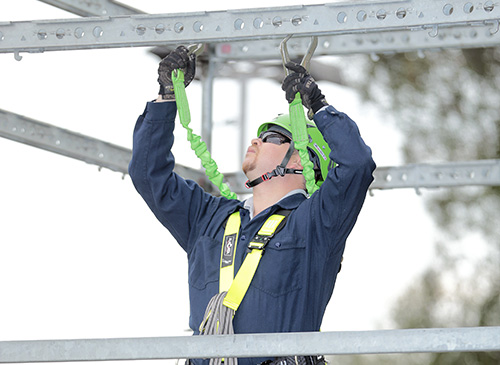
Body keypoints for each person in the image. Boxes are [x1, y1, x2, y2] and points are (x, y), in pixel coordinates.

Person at [129, 46, 376, 365]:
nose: (256, 140)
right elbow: (148, 174)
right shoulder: (209, 218)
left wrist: (318, 106)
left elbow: (357, 165)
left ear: (301, 159)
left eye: (273, 137)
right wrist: (166, 97)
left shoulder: (316, 225)